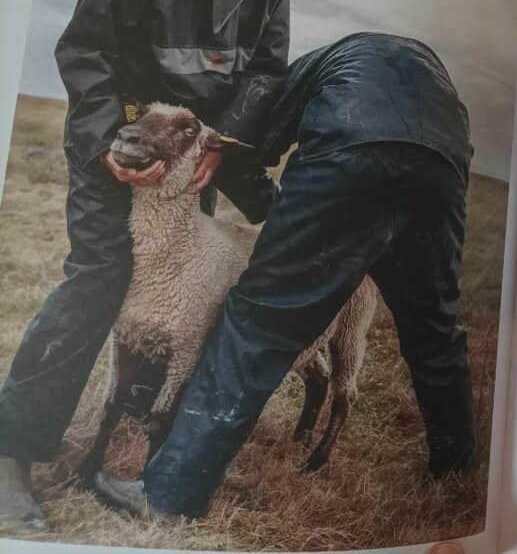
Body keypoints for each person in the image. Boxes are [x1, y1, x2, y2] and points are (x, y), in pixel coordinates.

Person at [0, 0, 297, 532]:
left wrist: (224, 143)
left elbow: (266, 71)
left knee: (161, 312)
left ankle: (114, 460)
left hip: (188, 168)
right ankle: (10, 455)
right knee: (100, 280)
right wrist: (110, 139)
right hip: (122, 146)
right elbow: (86, 47)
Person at [92, 32, 478, 521]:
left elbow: (252, 141)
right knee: (437, 331)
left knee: (258, 320)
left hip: (348, 152)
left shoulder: (319, 66)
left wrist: (280, 222)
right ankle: (459, 471)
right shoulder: (440, 91)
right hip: (442, 175)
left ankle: (168, 494)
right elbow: (448, 158)